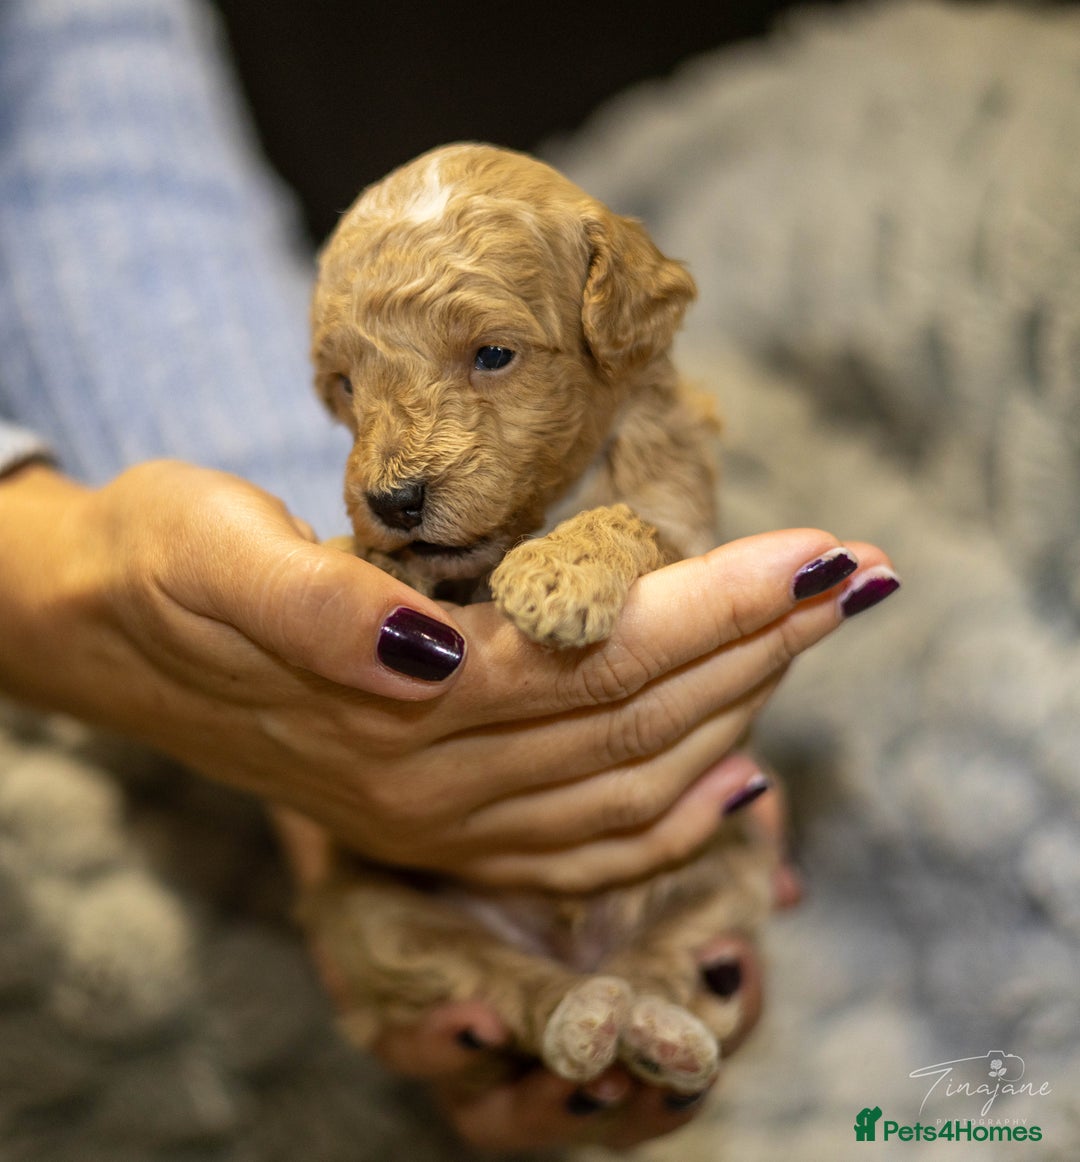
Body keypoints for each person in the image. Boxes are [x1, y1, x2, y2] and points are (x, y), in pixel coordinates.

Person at [0, 0, 899, 1151]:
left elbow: (85, 127)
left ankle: (663, 981)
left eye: (489, 356)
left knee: (700, 862)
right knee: (385, 936)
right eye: (348, 395)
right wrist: (82, 581)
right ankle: (539, 1004)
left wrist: (272, 624)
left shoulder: (649, 410)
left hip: (628, 863)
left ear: (611, 315)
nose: (390, 468)